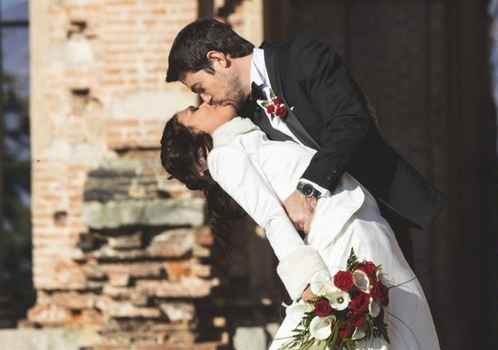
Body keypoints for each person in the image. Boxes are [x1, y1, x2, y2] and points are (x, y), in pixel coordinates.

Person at [160, 102, 445, 350]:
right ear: (198, 153)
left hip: (363, 224)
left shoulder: (253, 138)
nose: (206, 102)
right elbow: (271, 218)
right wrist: (312, 283)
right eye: (194, 111)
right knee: (376, 346)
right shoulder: (223, 156)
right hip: (342, 237)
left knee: (400, 333)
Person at [165, 19, 446, 268]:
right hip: (326, 242)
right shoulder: (242, 118)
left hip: (378, 207)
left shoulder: (301, 57)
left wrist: (307, 190)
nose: (206, 99)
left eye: (200, 88)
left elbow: (351, 121)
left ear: (218, 60)